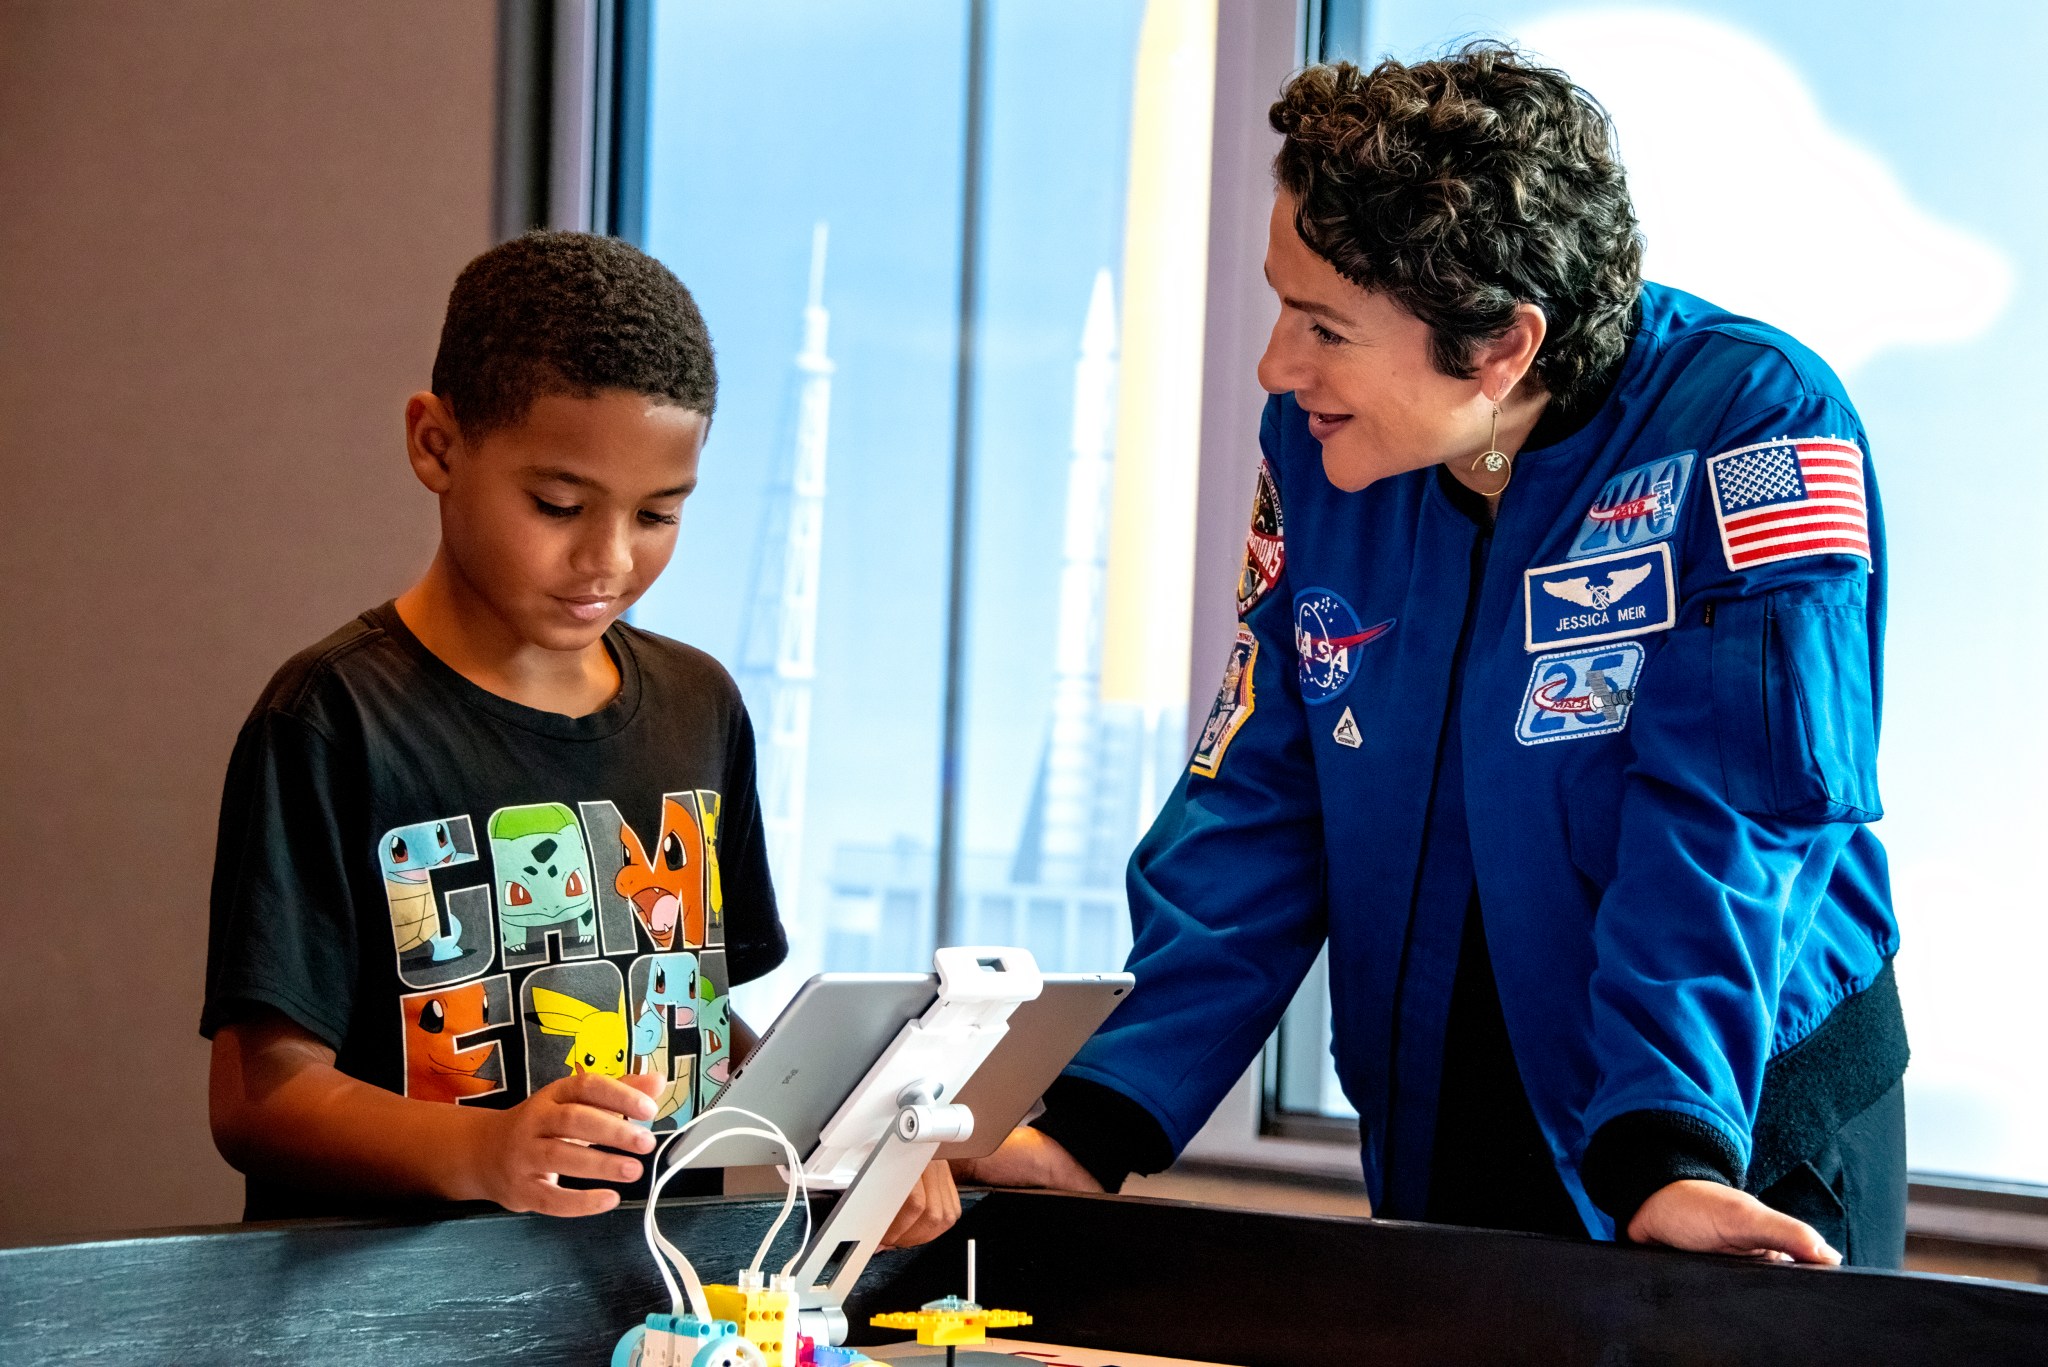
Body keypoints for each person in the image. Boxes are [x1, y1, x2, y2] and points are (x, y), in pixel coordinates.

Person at [925, 45, 1908, 1265]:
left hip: (1730, 1116)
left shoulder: (1756, 427)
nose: (1275, 367)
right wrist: (1093, 1115)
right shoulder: (1325, 444)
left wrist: (1667, 1146)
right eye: (1281, 303)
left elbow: (1730, 817)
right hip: (1448, 1095)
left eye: (1322, 326)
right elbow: (1261, 782)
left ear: (1498, 343)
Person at [202, 232, 792, 1220]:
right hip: (393, 1322)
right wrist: (481, 1149)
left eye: (657, 514)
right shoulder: (335, 718)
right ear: (435, 444)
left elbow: (693, 1014)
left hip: (644, 1307)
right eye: (558, 504)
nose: (607, 557)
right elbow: (258, 1097)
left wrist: (842, 1137)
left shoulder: (701, 705)